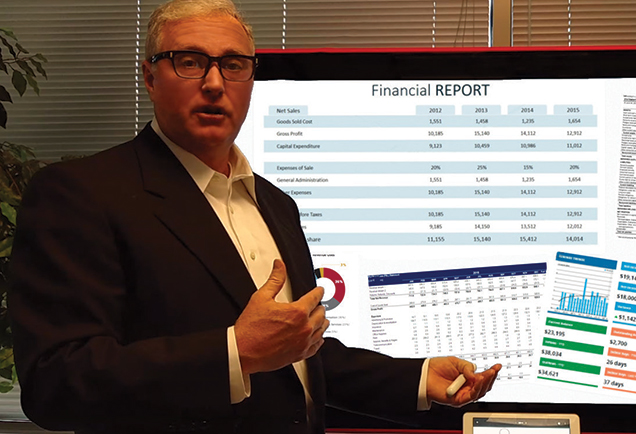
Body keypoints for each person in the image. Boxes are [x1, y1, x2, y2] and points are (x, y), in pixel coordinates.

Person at [8, 1, 502, 433]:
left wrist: (417, 378)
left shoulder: (275, 203)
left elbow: (295, 358)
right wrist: (235, 353)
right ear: (150, 77)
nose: (214, 83)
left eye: (233, 65)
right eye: (189, 62)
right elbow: (56, 382)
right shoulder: (81, 193)